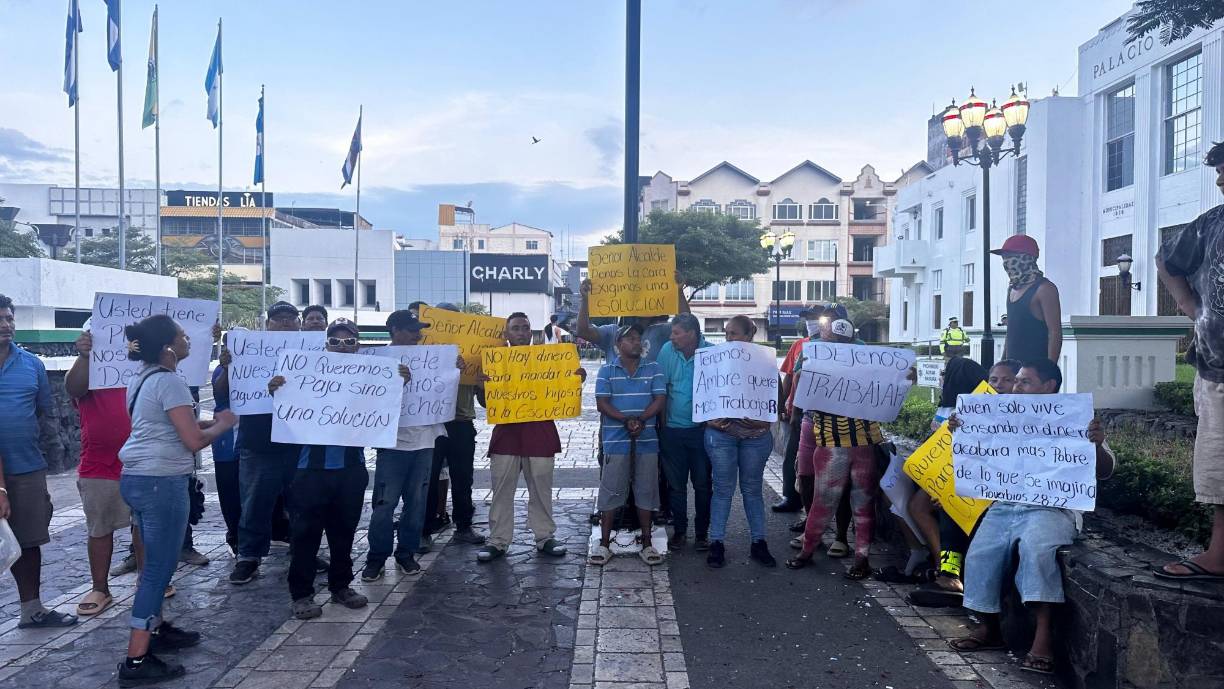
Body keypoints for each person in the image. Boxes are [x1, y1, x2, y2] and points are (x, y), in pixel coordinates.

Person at [948, 359, 1115, 676]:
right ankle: (989, 628)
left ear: (1049, 387)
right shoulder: (999, 414)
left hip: (1051, 506)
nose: (1016, 386)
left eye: (1025, 381)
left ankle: (1043, 638)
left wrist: (1095, 443)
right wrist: (961, 430)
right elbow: (979, 454)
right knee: (981, 554)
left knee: (1037, 553)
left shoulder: (1074, 418)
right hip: (1006, 504)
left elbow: (1105, 471)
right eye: (1017, 382)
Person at [115, 314, 237, 686]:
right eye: (183, 337)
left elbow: (167, 424)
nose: (189, 341)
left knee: (155, 563)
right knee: (157, 569)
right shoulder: (169, 381)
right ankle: (136, 658)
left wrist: (207, 422)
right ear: (169, 347)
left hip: (138, 476)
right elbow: (194, 441)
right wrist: (224, 423)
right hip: (160, 481)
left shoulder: (142, 379)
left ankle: (156, 627)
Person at [268, 318, 408, 619]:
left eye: (349, 341)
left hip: (351, 469)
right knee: (305, 534)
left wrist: (399, 381)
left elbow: (384, 408)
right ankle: (302, 594)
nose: (342, 346)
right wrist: (277, 389)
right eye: (335, 341)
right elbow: (287, 410)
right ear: (325, 344)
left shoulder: (370, 378)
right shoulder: (304, 375)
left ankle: (341, 586)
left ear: (358, 345)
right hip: (310, 471)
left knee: (344, 532)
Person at [1154, 140, 1224, 582]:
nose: (1219, 179)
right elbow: (1166, 259)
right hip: (1218, 367)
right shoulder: (1212, 224)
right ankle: (1219, 555)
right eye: (1219, 171)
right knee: (1220, 467)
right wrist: (1189, 306)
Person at [475, 312, 583, 562]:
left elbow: (563, 390)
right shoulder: (494, 361)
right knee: (501, 490)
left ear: (531, 331)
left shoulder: (548, 360)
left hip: (540, 434)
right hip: (506, 436)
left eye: (525, 327)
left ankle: (545, 537)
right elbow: (484, 403)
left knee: (541, 490)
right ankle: (498, 540)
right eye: (516, 328)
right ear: (507, 334)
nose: (521, 333)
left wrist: (575, 380)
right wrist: (482, 387)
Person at [0, 295, 77, 629]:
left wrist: (51, 457)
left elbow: (46, 415)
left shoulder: (32, 365)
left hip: (27, 467)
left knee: (29, 540)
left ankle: (31, 609)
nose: (5, 325)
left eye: (9, 318)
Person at [786, 318, 882, 580]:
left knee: (851, 503)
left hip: (847, 442)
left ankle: (851, 556)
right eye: (832, 340)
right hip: (842, 442)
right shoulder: (817, 361)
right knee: (831, 502)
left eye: (840, 341)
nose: (836, 345)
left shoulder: (862, 365)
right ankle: (827, 552)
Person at [222, 301, 308, 585]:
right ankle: (248, 557)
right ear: (267, 324)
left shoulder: (312, 352)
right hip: (258, 443)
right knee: (255, 504)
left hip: (300, 443)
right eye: (278, 318)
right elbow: (223, 390)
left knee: (302, 505)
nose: (285, 323)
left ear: (299, 323)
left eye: (290, 318)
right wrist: (227, 368)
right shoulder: (246, 353)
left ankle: (304, 552)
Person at [362, 310, 444, 581]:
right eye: (411, 329)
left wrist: (454, 369)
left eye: (418, 329)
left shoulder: (433, 359)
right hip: (391, 444)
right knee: (384, 504)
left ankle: (406, 553)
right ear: (394, 330)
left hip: (424, 442)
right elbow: (365, 398)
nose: (417, 334)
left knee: (416, 503)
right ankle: (376, 557)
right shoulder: (376, 361)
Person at [65, 327, 138, 617]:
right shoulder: (90, 369)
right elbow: (73, 388)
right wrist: (84, 356)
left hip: (142, 462)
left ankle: (148, 580)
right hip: (99, 463)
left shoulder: (142, 367)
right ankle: (100, 587)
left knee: (143, 526)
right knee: (99, 528)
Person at [907, 357, 989, 595]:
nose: (941, 378)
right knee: (916, 506)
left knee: (929, 509)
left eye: (946, 374)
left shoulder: (980, 409)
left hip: (963, 483)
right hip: (944, 477)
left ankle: (948, 571)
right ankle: (942, 566)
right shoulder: (948, 407)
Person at [589, 324, 667, 567]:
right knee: (611, 491)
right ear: (618, 345)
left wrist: (641, 420)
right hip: (615, 441)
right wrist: (626, 420)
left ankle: (646, 541)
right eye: (629, 338)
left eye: (638, 337)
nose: (636, 341)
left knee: (646, 491)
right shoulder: (606, 370)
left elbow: (660, 399)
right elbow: (602, 403)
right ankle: (604, 543)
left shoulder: (654, 368)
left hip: (647, 442)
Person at [704, 316, 776, 569]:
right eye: (726, 334)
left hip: (755, 437)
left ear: (748, 335)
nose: (728, 339)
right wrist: (713, 419)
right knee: (723, 489)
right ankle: (716, 543)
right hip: (721, 435)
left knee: (752, 489)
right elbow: (704, 393)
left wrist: (761, 420)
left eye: (733, 333)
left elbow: (775, 396)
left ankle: (759, 542)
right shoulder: (715, 360)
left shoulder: (766, 361)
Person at [425, 302, 486, 546]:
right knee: (428, 479)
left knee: (463, 478)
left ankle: (464, 526)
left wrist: (482, 384)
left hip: (461, 423)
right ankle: (425, 529)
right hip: (431, 423)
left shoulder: (472, 354)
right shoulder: (426, 352)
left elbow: (483, 401)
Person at [656, 313, 713, 551]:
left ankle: (702, 534)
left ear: (692, 334)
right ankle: (679, 531)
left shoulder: (712, 353)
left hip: (702, 432)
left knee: (702, 484)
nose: (672, 337)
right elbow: (661, 390)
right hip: (672, 431)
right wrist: (663, 428)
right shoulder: (667, 351)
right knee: (676, 486)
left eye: (676, 333)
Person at [773, 305, 825, 513]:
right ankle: (791, 497)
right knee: (792, 455)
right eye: (808, 318)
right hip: (798, 412)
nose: (811, 322)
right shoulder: (798, 346)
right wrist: (783, 404)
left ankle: (816, 511)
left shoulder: (843, 349)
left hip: (825, 415)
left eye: (816, 318)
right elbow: (788, 376)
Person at [575, 277, 690, 364]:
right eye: (638, 296)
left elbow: (686, 324)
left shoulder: (661, 331)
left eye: (649, 296)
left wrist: (679, 292)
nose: (643, 301)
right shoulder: (612, 333)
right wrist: (585, 300)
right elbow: (582, 331)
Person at [995, 235, 1062, 362]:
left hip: (1034, 373)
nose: (1006, 262)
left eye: (1010, 257)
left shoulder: (1045, 289)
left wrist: (1049, 370)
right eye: (1004, 257)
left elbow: (1055, 332)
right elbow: (1011, 333)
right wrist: (1002, 364)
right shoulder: (1012, 289)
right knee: (974, 380)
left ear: (1026, 258)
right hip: (1013, 371)